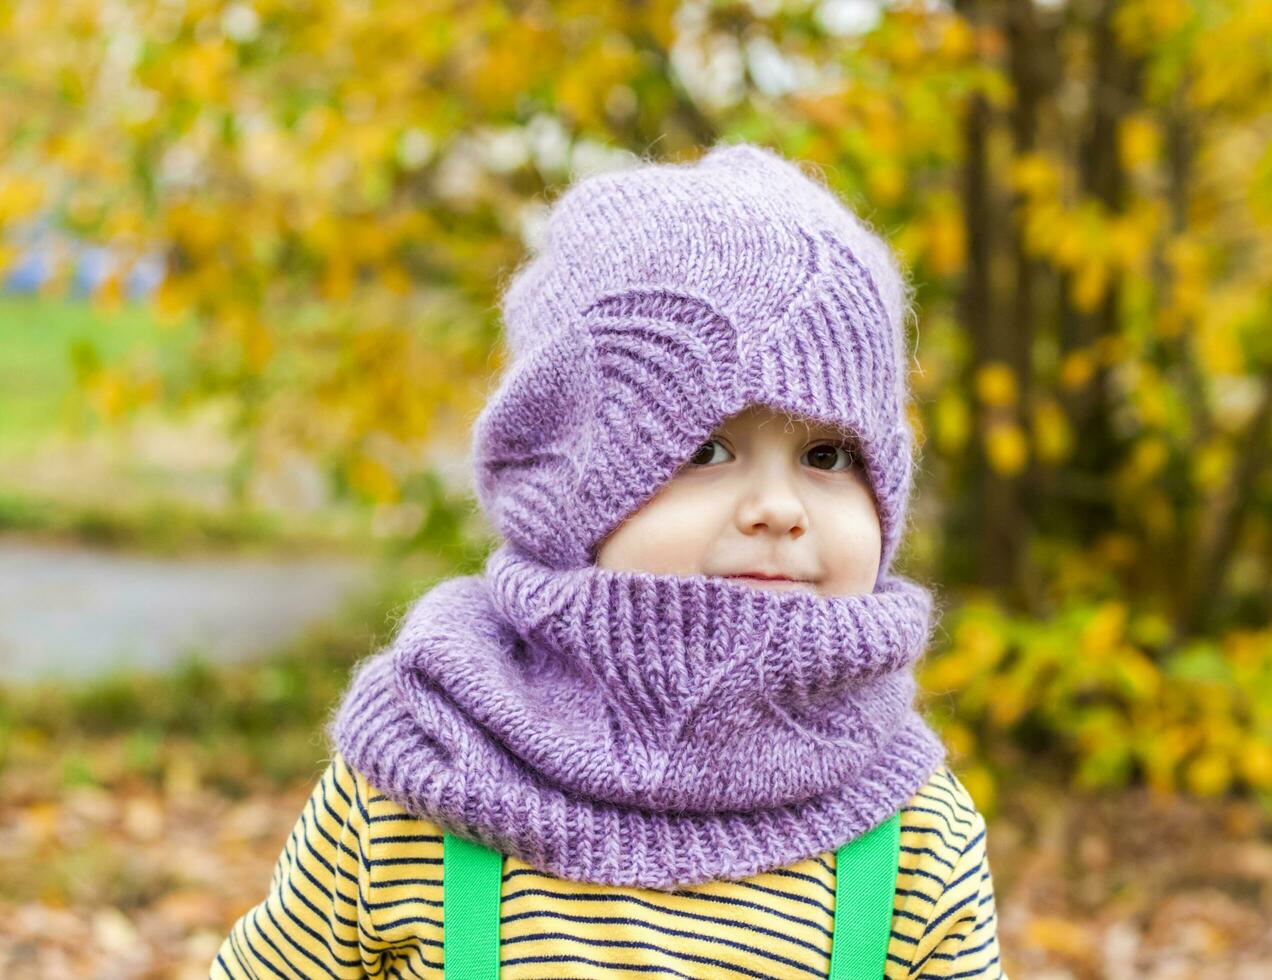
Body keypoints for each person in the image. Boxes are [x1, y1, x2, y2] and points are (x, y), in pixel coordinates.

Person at [211, 141, 1007, 979]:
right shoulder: (424, 774)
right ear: (571, 483)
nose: (778, 507)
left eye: (828, 456)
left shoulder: (909, 831)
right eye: (704, 449)